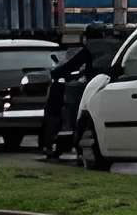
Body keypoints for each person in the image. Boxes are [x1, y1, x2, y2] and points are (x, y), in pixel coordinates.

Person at [43, 22, 120, 161]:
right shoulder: (116, 45)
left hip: (94, 86)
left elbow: (72, 65)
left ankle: (74, 140)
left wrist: (55, 73)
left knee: (77, 110)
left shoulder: (90, 48)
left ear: (87, 36)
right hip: (116, 85)